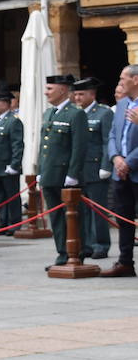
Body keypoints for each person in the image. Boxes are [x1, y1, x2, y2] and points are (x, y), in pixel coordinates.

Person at [39, 74, 88, 268]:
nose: (46, 92)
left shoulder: (76, 114)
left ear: (62, 90)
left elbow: (79, 147)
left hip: (66, 176)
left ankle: (76, 253)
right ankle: (62, 253)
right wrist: (41, 169)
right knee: (56, 219)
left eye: (50, 89)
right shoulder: (48, 113)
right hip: (50, 175)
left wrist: (73, 174)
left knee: (73, 218)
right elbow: (44, 145)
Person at [73, 77, 113, 260]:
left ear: (92, 94)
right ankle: (86, 244)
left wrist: (106, 165)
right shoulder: (76, 113)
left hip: (96, 168)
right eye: (76, 94)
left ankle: (101, 244)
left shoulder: (103, 113)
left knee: (98, 209)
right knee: (81, 211)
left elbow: (107, 142)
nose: (78, 98)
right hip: (79, 169)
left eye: (82, 94)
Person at [104, 64, 138, 277]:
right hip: (121, 172)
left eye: (123, 77)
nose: (120, 82)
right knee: (123, 219)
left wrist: (129, 162)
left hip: (134, 169)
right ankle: (125, 262)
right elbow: (112, 135)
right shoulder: (122, 103)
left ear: (135, 80)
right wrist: (116, 158)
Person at [0, 91, 25, 235]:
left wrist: (15, 164)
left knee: (11, 196)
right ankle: (3, 222)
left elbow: (17, 145)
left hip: (8, 165)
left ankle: (14, 223)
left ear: (5, 104)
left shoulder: (13, 121)